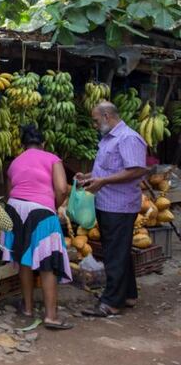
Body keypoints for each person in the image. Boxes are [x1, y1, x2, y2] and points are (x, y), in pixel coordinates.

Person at [76, 101, 147, 317]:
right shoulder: (109, 139)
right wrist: (89, 177)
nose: (95, 125)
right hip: (108, 204)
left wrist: (104, 182)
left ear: (107, 116)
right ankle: (128, 295)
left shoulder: (128, 138)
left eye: (97, 120)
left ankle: (112, 303)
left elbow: (136, 170)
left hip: (120, 206)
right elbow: (108, 169)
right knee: (120, 252)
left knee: (114, 253)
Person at [2, 124, 73, 330]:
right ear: (43, 143)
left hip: (14, 209)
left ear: (23, 145)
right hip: (40, 210)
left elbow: (10, 193)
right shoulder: (52, 158)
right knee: (47, 261)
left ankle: (28, 308)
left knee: (24, 257)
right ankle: (51, 316)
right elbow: (61, 188)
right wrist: (53, 207)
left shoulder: (14, 162)